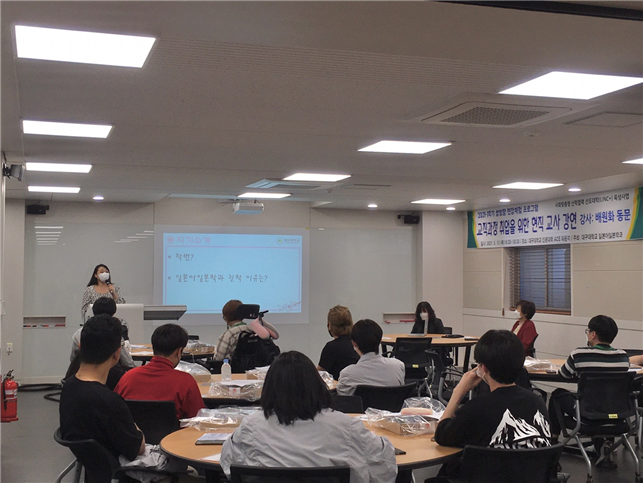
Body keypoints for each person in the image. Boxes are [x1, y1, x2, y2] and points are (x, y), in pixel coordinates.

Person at [220, 351, 397, 483]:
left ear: (269, 389)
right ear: (316, 385)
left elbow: (229, 464)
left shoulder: (251, 427)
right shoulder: (346, 426)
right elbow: (384, 465)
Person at [435, 330, 551, 450]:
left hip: (487, 463)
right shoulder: (537, 402)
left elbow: (441, 435)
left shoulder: (477, 409)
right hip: (536, 463)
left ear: (483, 368)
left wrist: (458, 391)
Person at [59, 314, 145, 461]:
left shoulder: (68, 387)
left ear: (80, 347)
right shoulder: (110, 401)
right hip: (118, 469)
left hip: (92, 466)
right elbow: (139, 448)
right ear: (117, 354)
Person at [548, 315, 629, 442]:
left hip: (587, 416)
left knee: (557, 395)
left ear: (593, 334)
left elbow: (564, 374)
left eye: (588, 331)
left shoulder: (580, 354)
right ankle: (607, 443)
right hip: (617, 416)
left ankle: (553, 439)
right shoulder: (623, 357)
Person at [115, 323, 206, 419]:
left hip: (133, 428)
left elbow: (115, 410)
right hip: (173, 429)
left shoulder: (127, 378)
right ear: (179, 351)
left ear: (153, 347)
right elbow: (198, 419)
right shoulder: (186, 382)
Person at [336, 319, 405, 396]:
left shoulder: (347, 375)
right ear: (380, 340)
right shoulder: (398, 366)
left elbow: (343, 400)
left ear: (354, 343)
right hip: (393, 404)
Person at [214, 299, 279, 362]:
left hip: (235, 368)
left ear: (226, 317)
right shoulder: (254, 330)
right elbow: (275, 335)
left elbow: (218, 359)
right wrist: (258, 317)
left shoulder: (229, 334)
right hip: (256, 366)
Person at [317, 305, 359, 380]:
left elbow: (319, 374)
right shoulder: (358, 343)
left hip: (339, 386)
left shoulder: (331, 347)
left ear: (330, 325)